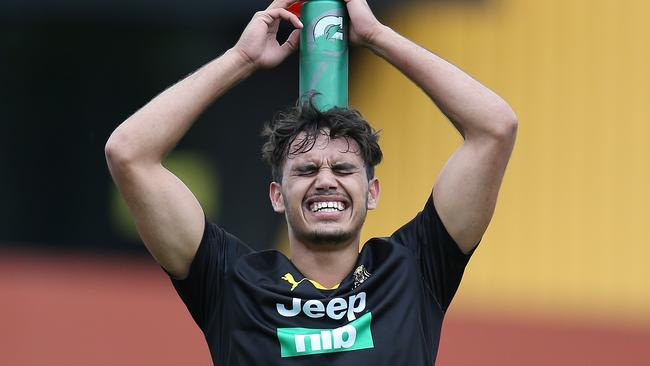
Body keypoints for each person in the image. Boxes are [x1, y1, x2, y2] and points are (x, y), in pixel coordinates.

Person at [105, 0, 517, 364]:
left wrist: (378, 36)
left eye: (343, 169)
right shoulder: (232, 283)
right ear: (277, 195)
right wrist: (240, 59)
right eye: (305, 170)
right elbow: (129, 153)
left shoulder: (414, 269)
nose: (325, 181)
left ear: (371, 192)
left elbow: (495, 128)